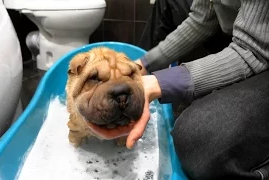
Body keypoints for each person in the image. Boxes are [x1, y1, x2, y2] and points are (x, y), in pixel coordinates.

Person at [87, 0, 269, 179]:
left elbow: (253, 50)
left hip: (260, 49)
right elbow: (202, 18)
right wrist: (143, 64)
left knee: (198, 141)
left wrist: (159, 83)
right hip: (245, 34)